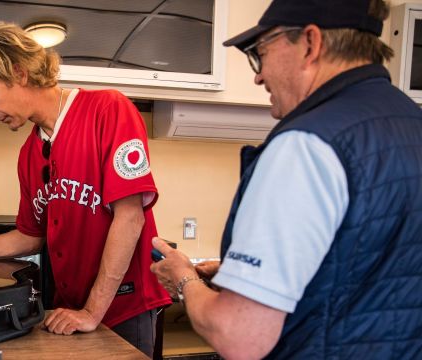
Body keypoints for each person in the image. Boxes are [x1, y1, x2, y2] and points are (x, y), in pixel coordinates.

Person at [150, 0, 422, 358]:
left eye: (260, 53)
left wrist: (183, 279)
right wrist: (242, 279)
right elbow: (373, 273)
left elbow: (239, 335)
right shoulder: (411, 123)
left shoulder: (306, 144)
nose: (258, 75)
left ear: (309, 43)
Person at [0, 21, 171, 357]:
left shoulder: (108, 109)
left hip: (121, 308)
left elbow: (130, 217)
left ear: (19, 74)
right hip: (69, 310)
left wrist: (92, 312)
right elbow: (29, 236)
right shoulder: (29, 154)